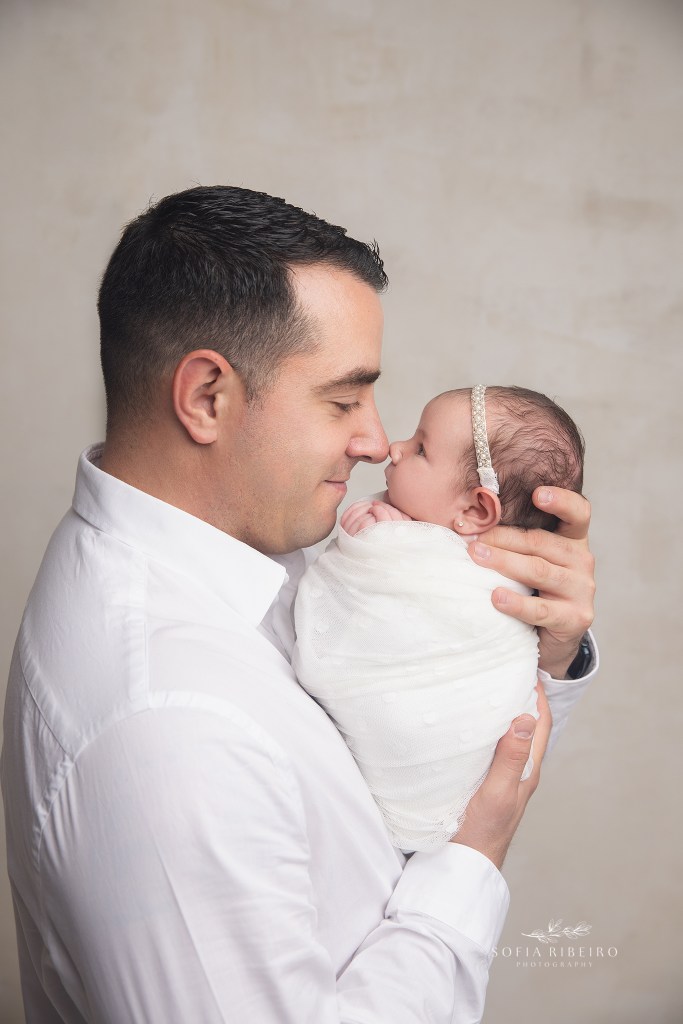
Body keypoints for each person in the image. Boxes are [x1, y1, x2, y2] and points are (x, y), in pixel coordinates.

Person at [1, 186, 597, 1024]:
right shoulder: (167, 723)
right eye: (343, 398)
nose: (371, 440)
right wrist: (473, 857)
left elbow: (397, 725)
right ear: (207, 396)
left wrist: (539, 651)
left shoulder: (224, 564)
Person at [293, 385, 585, 852]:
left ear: (474, 509)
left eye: (421, 448)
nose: (394, 447)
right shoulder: (415, 540)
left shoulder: (490, 581)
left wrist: (372, 534)